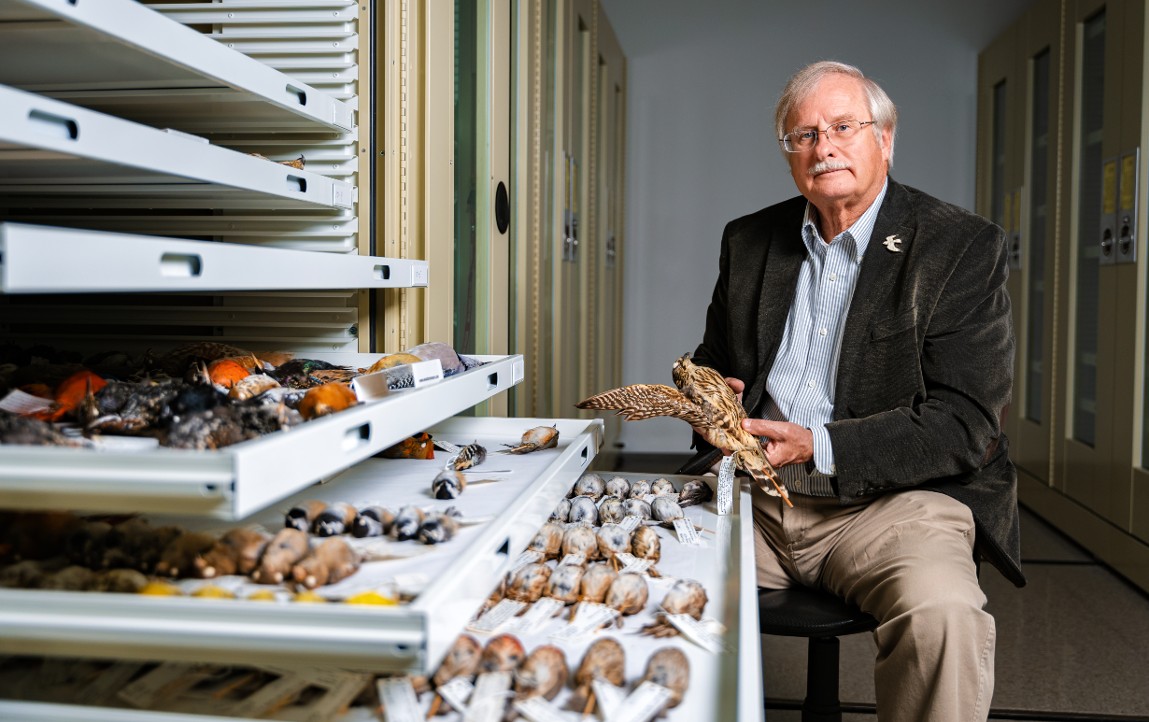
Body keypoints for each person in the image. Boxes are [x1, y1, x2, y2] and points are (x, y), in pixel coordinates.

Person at [679, 60, 1026, 721]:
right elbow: (716, 359)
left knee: (943, 616)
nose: (824, 146)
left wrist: (819, 444)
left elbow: (965, 423)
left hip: (897, 505)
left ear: (884, 139)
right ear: (788, 154)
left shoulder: (956, 246)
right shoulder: (750, 240)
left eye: (842, 126)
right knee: (627, 568)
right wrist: (708, 396)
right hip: (758, 496)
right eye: (803, 135)